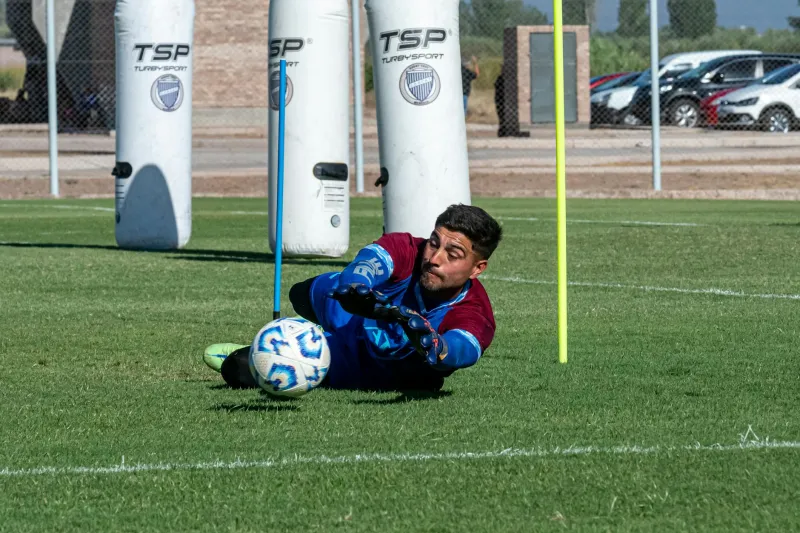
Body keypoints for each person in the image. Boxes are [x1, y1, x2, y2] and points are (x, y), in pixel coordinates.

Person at [204, 204, 503, 392]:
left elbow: (462, 349)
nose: (434, 258)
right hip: (347, 313)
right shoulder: (408, 248)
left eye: (453, 254)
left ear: (477, 268)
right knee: (299, 294)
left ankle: (291, 347)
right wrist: (356, 288)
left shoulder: (475, 312)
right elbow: (366, 264)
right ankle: (310, 326)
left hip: (362, 368)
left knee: (237, 368)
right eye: (434, 243)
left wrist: (437, 346)